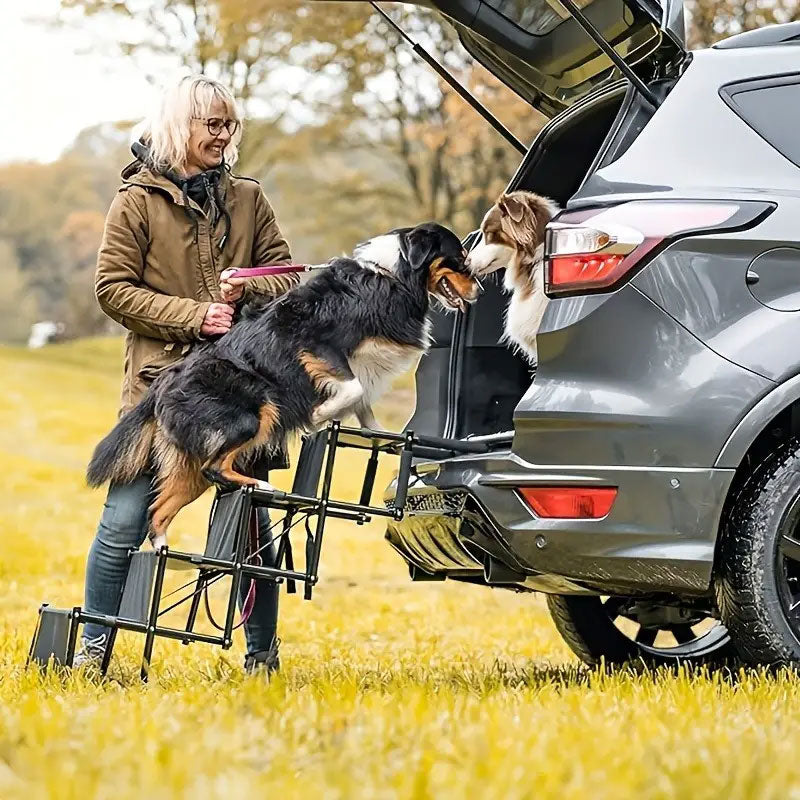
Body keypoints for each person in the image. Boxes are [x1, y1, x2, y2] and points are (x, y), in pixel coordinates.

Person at [74, 74, 298, 675]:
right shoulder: (136, 202)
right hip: (159, 390)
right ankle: (94, 652)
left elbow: (286, 274)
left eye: (231, 126)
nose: (224, 136)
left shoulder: (249, 198)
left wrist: (247, 289)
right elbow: (111, 290)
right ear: (181, 125)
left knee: (250, 531)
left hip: (238, 389)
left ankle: (262, 658)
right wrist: (195, 316)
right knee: (123, 517)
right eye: (213, 125)